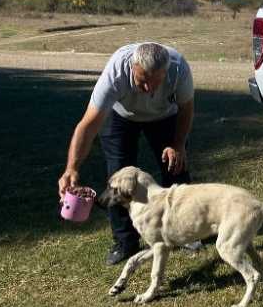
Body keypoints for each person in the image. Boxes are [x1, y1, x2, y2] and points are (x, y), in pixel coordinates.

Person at [57, 42, 195, 265]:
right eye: (142, 80)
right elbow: (88, 126)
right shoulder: (115, 73)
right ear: (132, 67)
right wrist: (71, 168)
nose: (148, 88)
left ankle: (186, 232)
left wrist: (178, 145)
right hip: (121, 116)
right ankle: (125, 242)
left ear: (165, 72)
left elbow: (186, 109)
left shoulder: (178, 68)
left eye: (155, 81)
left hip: (165, 116)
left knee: (176, 167)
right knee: (117, 177)